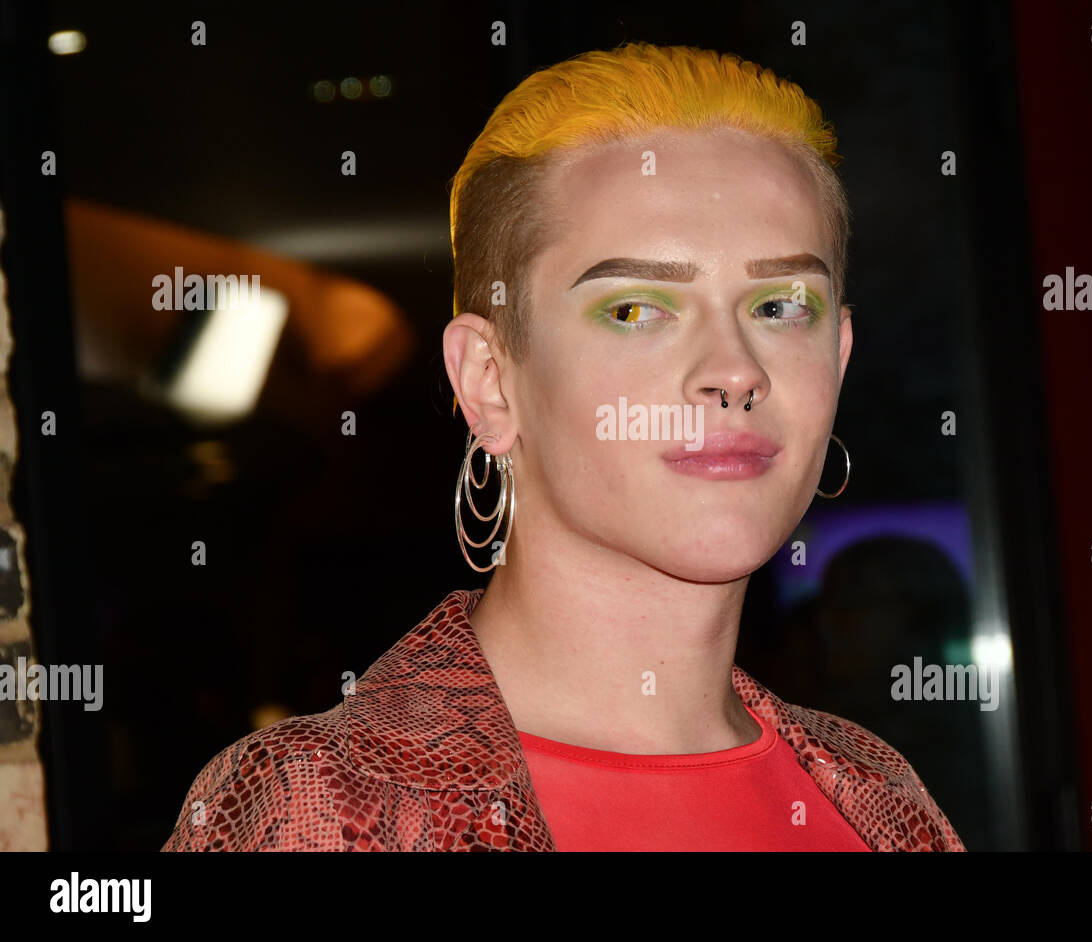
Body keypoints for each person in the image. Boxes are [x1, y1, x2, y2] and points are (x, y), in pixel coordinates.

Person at [160, 41, 965, 852]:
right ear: (489, 381)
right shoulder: (322, 808)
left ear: (840, 356)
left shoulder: (882, 797)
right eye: (635, 309)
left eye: (782, 307)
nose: (735, 371)